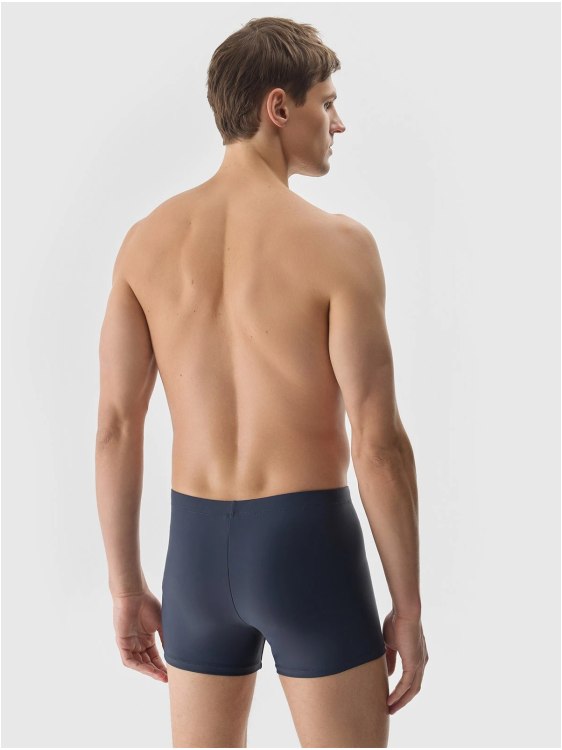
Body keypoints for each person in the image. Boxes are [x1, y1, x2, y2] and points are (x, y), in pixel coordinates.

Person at [95, 16, 428, 749]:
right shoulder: (340, 246)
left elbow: (116, 427)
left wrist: (126, 587)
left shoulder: (145, 242)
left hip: (193, 558)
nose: (339, 123)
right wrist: (407, 607)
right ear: (279, 106)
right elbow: (379, 445)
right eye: (327, 102)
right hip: (308, 548)